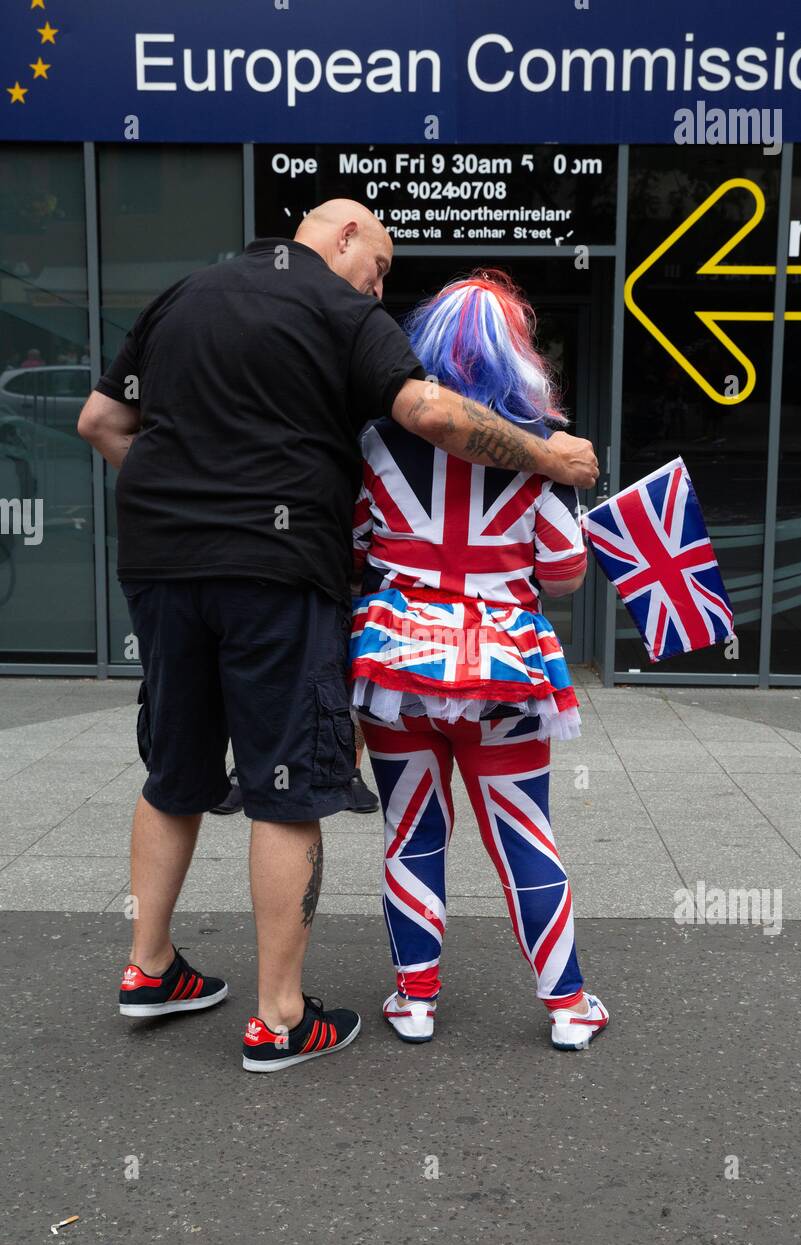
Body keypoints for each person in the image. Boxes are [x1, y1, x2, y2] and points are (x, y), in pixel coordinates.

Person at [77, 203, 600, 1074]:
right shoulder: (340, 310)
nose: (380, 286)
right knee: (296, 787)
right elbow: (438, 419)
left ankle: (158, 965)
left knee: (180, 770)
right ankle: (290, 1018)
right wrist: (550, 459)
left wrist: (186, 498)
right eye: (380, 265)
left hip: (176, 570)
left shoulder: (181, 297)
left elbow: (100, 423)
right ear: (347, 238)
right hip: (314, 591)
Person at [350, 270, 609, 1052]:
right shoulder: (541, 452)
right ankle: (566, 1004)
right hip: (503, 668)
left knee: (412, 832)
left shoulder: (375, 440)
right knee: (525, 835)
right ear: (518, 355)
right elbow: (563, 573)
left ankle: (416, 998)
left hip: (400, 670)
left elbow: (353, 544)